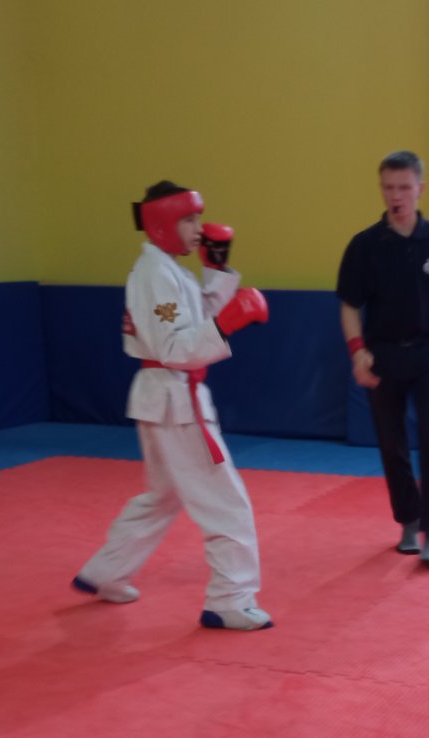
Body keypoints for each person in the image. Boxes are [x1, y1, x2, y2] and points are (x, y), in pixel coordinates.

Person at [71, 180, 276, 632]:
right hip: (175, 399)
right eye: (188, 219)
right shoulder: (155, 274)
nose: (199, 228)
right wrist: (230, 321)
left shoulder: (166, 269)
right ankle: (230, 598)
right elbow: (175, 347)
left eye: (198, 217)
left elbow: (197, 318)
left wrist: (218, 273)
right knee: (226, 503)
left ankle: (107, 571)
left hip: (164, 398)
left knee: (162, 497)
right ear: (163, 223)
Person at [336, 151, 429, 568]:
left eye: (403, 188)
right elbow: (349, 305)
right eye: (388, 188)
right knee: (391, 443)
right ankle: (409, 521)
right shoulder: (365, 245)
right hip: (383, 355)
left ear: (420, 189)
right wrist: (358, 352)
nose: (395, 196)